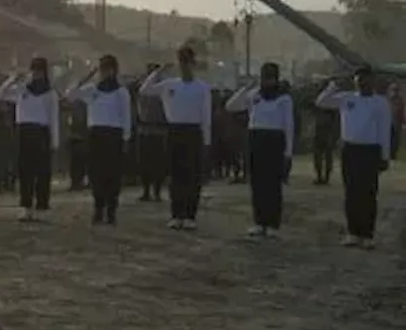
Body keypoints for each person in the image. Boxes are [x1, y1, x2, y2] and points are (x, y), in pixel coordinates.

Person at [316, 68, 392, 248]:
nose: (362, 84)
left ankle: (367, 234)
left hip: (370, 150)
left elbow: (384, 131)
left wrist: (385, 156)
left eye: (365, 81)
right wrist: (334, 85)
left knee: (368, 193)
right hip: (350, 149)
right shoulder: (347, 98)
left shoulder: (380, 102)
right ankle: (353, 232)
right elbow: (321, 101)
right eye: (359, 81)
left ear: (372, 81)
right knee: (351, 192)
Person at [139, 47, 213, 232]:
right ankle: (176, 214)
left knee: (192, 176)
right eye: (181, 62)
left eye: (187, 62)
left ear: (192, 64)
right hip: (174, 130)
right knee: (176, 175)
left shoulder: (202, 87)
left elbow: (206, 116)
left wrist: (207, 141)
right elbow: (145, 90)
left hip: (193, 132)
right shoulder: (170, 84)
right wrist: (158, 72)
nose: (184, 66)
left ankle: (190, 215)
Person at [225, 63, 294, 239]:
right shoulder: (254, 95)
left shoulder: (284, 98)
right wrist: (246, 88)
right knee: (257, 183)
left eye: (270, 77)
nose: (267, 80)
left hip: (275, 140)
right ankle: (259, 222)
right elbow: (231, 106)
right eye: (264, 76)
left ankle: (272, 224)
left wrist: (288, 152)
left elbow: (289, 126)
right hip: (256, 138)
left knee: (273, 185)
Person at [65, 55, 132, 225]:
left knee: (113, 175)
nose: (105, 72)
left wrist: (126, 138)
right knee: (96, 174)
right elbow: (70, 95)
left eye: (108, 69)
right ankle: (98, 208)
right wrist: (85, 77)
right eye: (102, 69)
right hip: (96, 134)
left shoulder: (121, 92)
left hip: (114, 134)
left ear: (113, 71)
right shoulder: (92, 89)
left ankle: (111, 210)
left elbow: (126, 117)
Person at [0, 57, 60, 222]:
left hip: (41, 131)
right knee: (25, 172)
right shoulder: (22, 89)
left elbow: (54, 118)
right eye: (34, 70)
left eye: (39, 71)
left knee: (42, 172)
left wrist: (55, 141)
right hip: (24, 131)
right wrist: (13, 78)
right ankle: (26, 206)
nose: (36, 74)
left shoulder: (50, 93)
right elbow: (2, 93)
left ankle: (42, 206)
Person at [135, 63, 168, 203]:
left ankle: (156, 192)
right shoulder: (143, 88)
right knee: (145, 164)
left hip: (159, 130)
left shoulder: (162, 88)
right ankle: (147, 191)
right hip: (145, 129)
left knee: (158, 164)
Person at [310, 82, 338, 185]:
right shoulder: (324, 101)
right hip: (322, 129)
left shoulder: (325, 101)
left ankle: (323, 176)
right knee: (323, 155)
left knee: (324, 155)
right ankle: (322, 176)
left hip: (324, 129)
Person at [389, 83, 404, 161]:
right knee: (389, 138)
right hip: (389, 122)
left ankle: (393, 154)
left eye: (396, 90)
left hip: (397, 121)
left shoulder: (400, 100)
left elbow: (401, 111)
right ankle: (388, 153)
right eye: (393, 90)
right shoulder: (388, 100)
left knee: (396, 139)